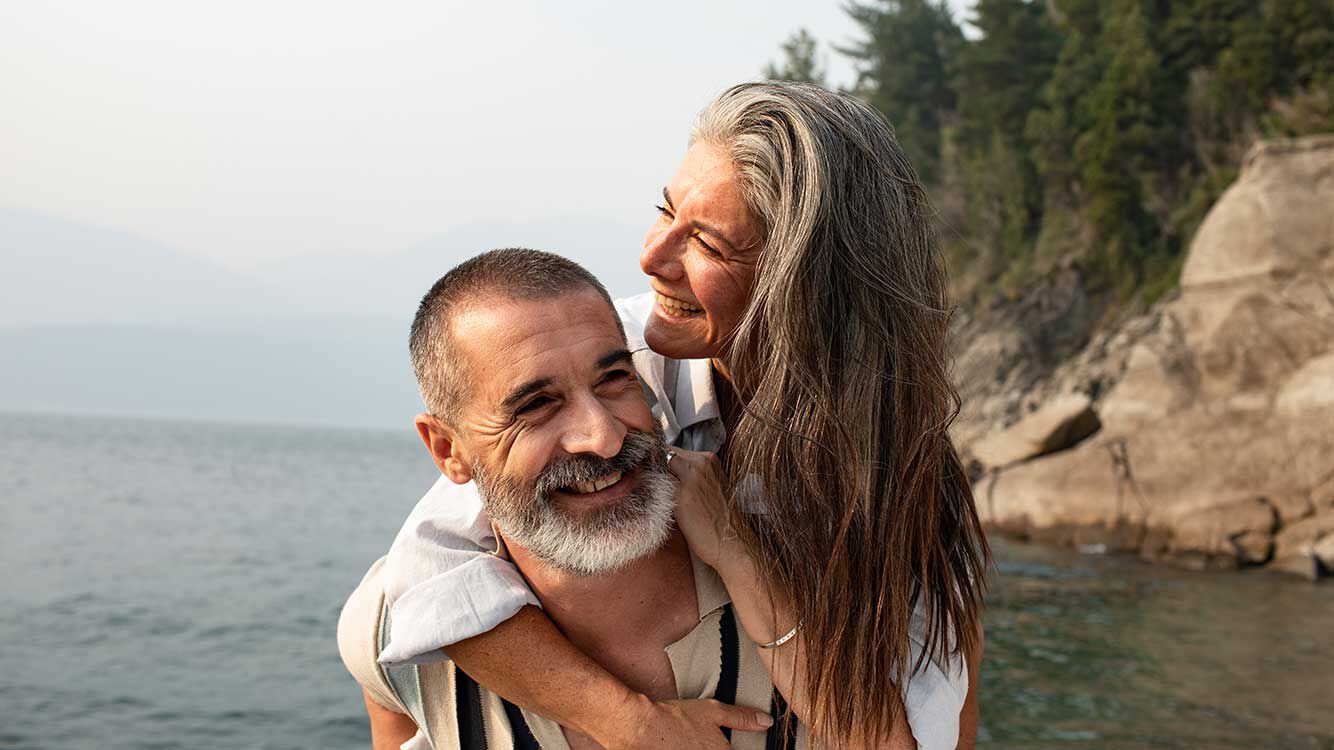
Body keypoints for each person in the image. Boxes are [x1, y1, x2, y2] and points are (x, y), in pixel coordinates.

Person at [362, 81, 989, 749]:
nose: (652, 258)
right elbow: (430, 578)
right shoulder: (610, 353)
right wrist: (628, 722)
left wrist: (740, 558)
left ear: (806, 285)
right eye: (665, 211)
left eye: (709, 246)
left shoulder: (896, 475)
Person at [340, 248, 809, 749]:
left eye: (612, 379)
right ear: (447, 450)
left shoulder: (802, 585)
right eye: (536, 405)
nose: (602, 437)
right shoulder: (387, 633)